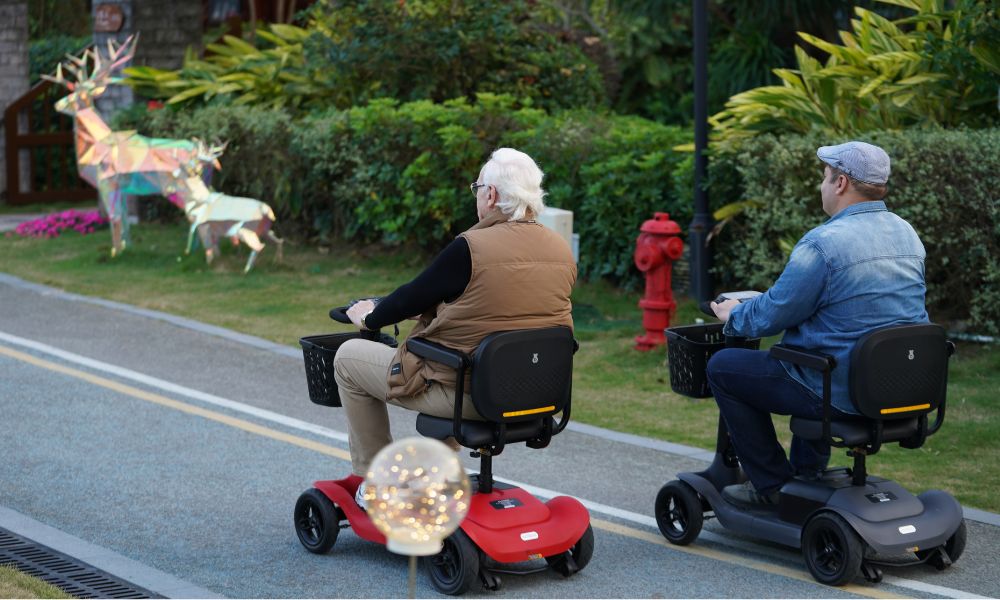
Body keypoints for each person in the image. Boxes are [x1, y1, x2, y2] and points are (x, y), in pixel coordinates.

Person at [334, 148, 577, 507]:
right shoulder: (560, 249)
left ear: (490, 194)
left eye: (478, 187)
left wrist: (369, 316)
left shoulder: (471, 247)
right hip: (538, 395)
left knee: (348, 357)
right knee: (458, 362)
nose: (477, 195)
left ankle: (377, 483)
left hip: (470, 395)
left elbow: (408, 299)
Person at [706, 140, 928, 507]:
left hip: (840, 390)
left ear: (841, 183)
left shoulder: (824, 244)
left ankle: (772, 485)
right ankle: (807, 474)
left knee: (724, 368)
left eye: (825, 178)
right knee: (812, 352)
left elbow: (775, 313)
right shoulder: (907, 235)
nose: (821, 186)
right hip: (899, 386)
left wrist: (735, 313)